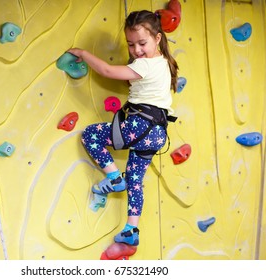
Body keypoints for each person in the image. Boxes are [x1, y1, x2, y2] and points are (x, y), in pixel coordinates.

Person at [68, 10, 179, 246]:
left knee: (90, 135)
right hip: (157, 133)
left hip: (140, 125)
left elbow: (108, 71)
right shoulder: (164, 63)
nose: (137, 50)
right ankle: (131, 229)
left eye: (142, 43)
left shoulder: (146, 65)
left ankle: (114, 177)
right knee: (136, 180)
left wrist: (83, 53)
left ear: (158, 38)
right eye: (131, 45)